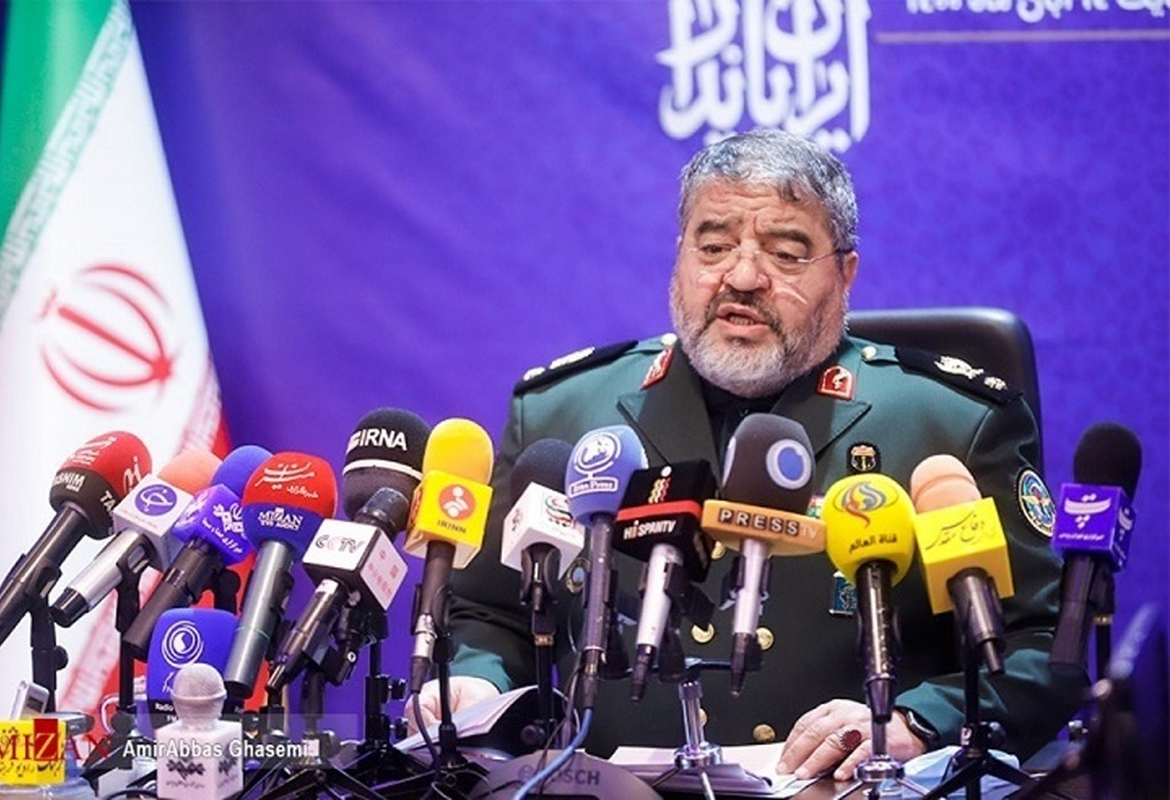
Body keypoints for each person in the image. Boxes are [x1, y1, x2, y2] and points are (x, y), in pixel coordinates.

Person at [415, 129, 1087, 781]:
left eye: (786, 253)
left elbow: (1041, 647)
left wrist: (919, 722)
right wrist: (475, 683)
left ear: (845, 274)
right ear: (680, 256)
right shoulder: (561, 412)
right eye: (713, 247)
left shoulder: (952, 425)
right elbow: (491, 614)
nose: (741, 277)